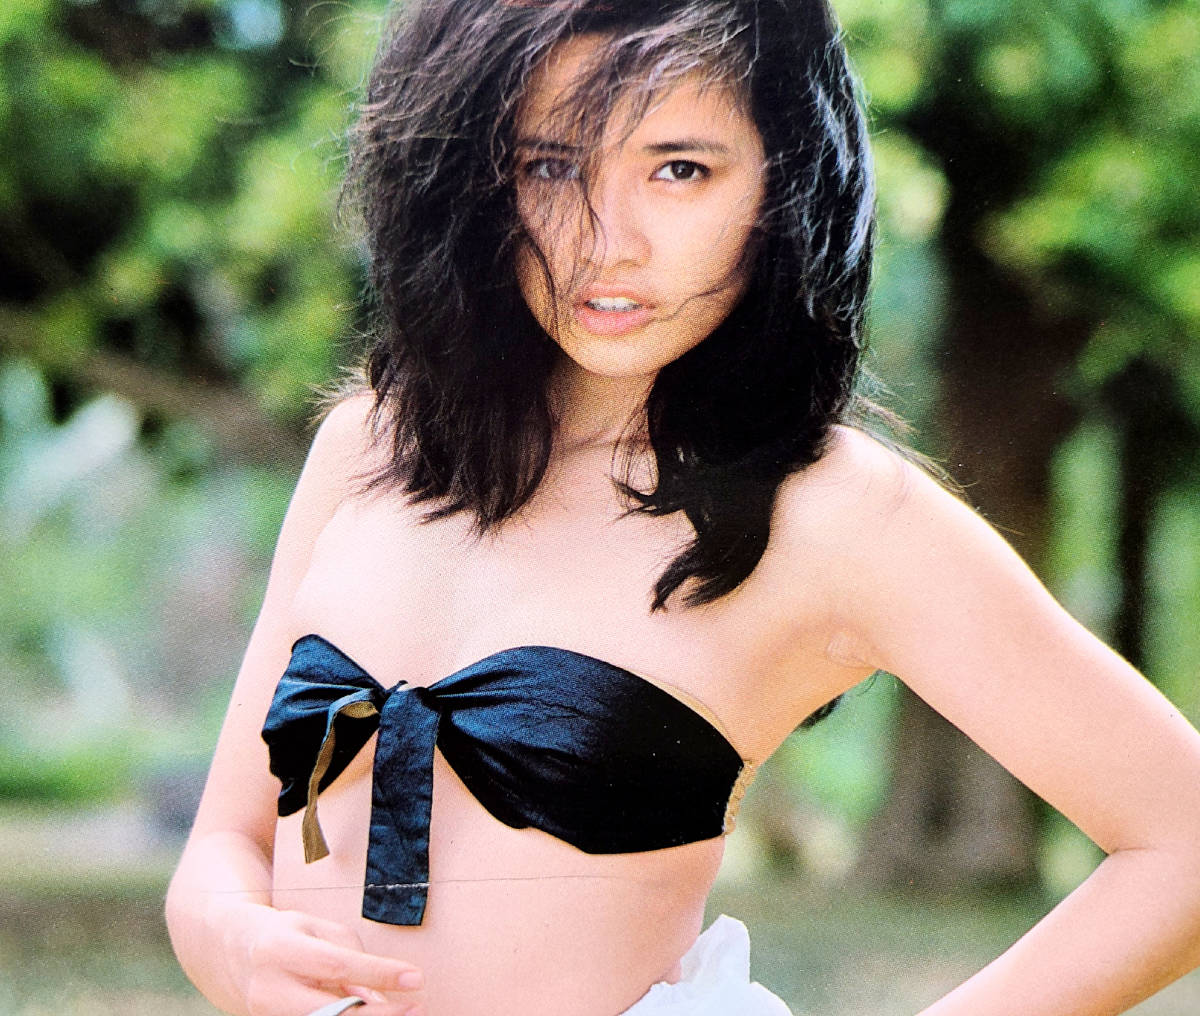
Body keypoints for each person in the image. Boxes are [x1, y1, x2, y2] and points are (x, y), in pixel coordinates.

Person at [165, 1, 1200, 1014]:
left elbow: (1183, 842)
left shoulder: (830, 510)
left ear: (783, 182)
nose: (607, 242)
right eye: (550, 166)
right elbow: (226, 845)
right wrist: (235, 944)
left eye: (679, 169)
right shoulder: (370, 447)